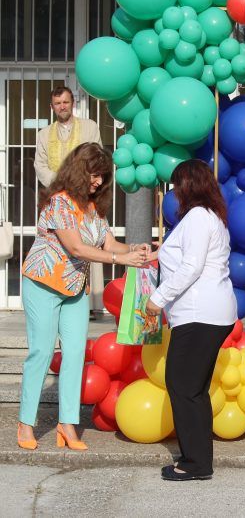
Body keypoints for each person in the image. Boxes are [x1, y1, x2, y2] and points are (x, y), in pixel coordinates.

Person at [17, 143, 146, 451]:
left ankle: (67, 424)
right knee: (42, 352)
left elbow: (108, 243)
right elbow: (75, 248)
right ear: (79, 170)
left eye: (103, 177)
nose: (98, 182)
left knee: (75, 354)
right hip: (42, 284)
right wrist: (120, 261)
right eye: (94, 174)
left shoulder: (91, 208)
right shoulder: (59, 202)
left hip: (74, 288)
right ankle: (25, 424)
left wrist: (136, 250)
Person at [143, 159, 237, 481]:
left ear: (189, 186)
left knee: (182, 386)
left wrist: (157, 299)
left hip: (200, 314)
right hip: (210, 313)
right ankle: (198, 461)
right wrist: (160, 252)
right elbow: (187, 257)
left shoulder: (198, 217)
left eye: (177, 185)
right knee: (194, 390)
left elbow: (191, 267)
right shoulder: (211, 217)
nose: (174, 192)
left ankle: (194, 463)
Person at [35, 86, 105, 316]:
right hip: (57, 195)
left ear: (72, 103)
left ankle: (92, 301)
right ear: (52, 107)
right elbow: (40, 165)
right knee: (57, 243)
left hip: (84, 196)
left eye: (65, 102)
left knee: (88, 241)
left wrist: (80, 183)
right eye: (58, 104)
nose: (62, 107)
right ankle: (53, 292)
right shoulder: (44, 134)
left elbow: (96, 157)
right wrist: (61, 184)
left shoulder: (89, 126)